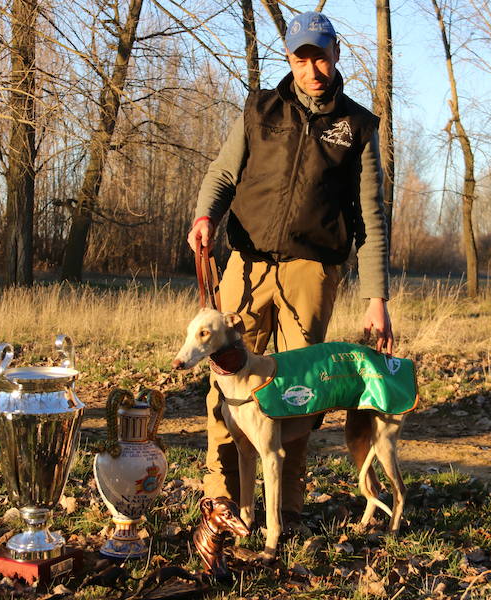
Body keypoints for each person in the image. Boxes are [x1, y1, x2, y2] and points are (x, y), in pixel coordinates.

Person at [186, 11, 393, 524]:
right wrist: (205, 214)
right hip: (246, 264)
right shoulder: (260, 109)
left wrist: (377, 298)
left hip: (313, 270)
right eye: (301, 58)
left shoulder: (358, 126)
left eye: (319, 55)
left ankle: (288, 505)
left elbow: (372, 213)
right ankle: (224, 498)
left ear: (336, 53)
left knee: (301, 391)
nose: (311, 68)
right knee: (226, 379)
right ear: (290, 59)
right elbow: (222, 172)